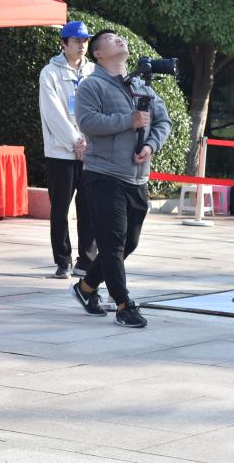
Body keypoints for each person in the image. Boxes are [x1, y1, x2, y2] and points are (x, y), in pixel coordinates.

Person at [69, 29, 171, 329]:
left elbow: (163, 121)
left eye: (120, 38)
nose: (119, 39)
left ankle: (86, 287)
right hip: (104, 174)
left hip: (137, 178)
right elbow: (87, 121)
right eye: (111, 39)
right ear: (98, 53)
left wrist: (151, 145)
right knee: (113, 244)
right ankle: (124, 305)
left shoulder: (141, 85)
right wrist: (130, 120)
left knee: (129, 243)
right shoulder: (92, 85)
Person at [39, 20, 97, 280]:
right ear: (63, 43)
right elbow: (53, 113)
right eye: (76, 41)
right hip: (60, 152)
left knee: (89, 207)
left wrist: (88, 141)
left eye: (85, 40)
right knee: (60, 209)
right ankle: (62, 260)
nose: (82, 45)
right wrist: (75, 141)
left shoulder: (93, 71)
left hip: (90, 150)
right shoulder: (49, 73)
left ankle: (87, 260)